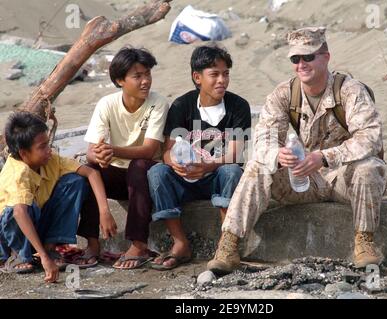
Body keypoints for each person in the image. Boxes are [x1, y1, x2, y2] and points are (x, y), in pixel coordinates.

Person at [207, 27, 387, 275]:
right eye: (295, 59)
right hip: (303, 180)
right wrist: (277, 156)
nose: (301, 64)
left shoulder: (350, 90)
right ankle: (229, 245)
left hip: (343, 178)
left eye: (308, 57)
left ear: (326, 57)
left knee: (369, 168)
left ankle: (365, 242)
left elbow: (371, 137)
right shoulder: (284, 94)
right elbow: (262, 140)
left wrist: (324, 157)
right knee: (257, 165)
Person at [147, 45, 251, 270]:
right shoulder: (182, 106)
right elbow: (167, 151)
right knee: (157, 172)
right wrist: (175, 163)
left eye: (225, 74)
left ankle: (226, 246)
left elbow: (235, 152)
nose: (222, 80)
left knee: (232, 170)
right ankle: (180, 243)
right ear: (197, 77)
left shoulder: (238, 106)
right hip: (185, 178)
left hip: (216, 176)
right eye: (214, 74)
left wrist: (207, 166)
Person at [77, 47, 169, 270]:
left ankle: (138, 245)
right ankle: (93, 242)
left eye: (147, 74)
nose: (145, 81)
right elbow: (91, 150)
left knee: (138, 166)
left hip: (148, 175)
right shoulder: (107, 104)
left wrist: (112, 150)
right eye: (138, 76)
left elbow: (149, 150)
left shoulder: (158, 103)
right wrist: (100, 154)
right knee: (89, 171)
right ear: (120, 80)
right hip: (120, 175)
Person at [0, 112, 111, 282]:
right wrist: (43, 258)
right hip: (9, 233)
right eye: (42, 147)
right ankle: (19, 254)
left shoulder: (51, 161)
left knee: (76, 181)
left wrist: (105, 212)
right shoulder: (17, 173)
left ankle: (50, 246)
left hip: (35, 224)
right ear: (24, 154)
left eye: (48, 144)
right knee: (18, 208)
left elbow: (91, 173)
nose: (49, 151)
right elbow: (19, 213)